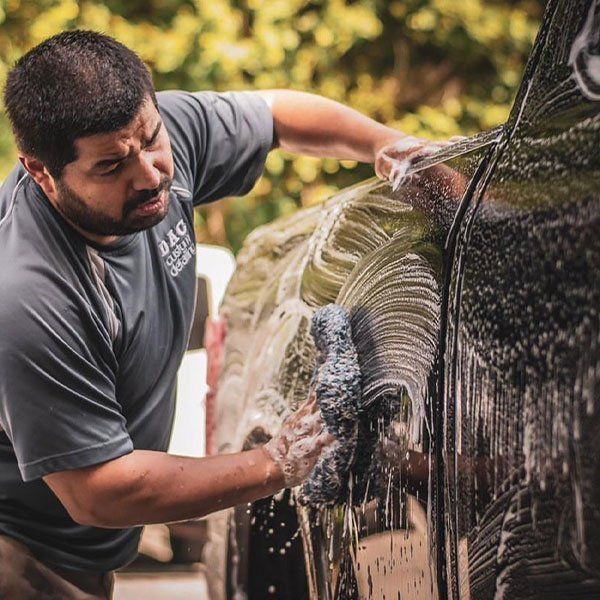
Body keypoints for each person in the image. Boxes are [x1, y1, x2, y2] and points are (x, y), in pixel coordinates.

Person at [0, 30, 436, 599]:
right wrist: (276, 462)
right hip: (20, 551)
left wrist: (392, 148)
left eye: (151, 140)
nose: (151, 175)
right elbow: (99, 492)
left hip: (83, 546)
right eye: (110, 169)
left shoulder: (141, 141)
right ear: (41, 172)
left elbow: (276, 114)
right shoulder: (28, 296)